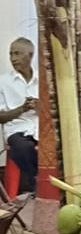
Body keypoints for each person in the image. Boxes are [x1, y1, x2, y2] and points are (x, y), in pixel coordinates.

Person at [1, 39, 40, 192]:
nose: (13, 58)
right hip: (16, 130)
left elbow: (53, 110)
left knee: (56, 147)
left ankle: (37, 186)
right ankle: (37, 184)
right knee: (24, 147)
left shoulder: (42, 80)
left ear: (30, 55)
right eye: (11, 54)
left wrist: (40, 106)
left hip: (40, 129)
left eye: (17, 53)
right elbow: (0, 117)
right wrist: (22, 109)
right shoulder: (3, 82)